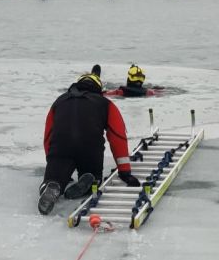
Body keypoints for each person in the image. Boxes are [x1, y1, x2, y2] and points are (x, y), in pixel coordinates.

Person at [38, 65, 141, 215]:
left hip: (61, 148)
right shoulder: (105, 103)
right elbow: (117, 136)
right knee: (92, 175)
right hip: (90, 148)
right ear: (98, 88)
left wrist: (52, 160)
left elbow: (48, 136)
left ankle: (52, 184)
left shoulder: (59, 102)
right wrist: (124, 171)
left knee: (55, 176)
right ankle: (91, 180)